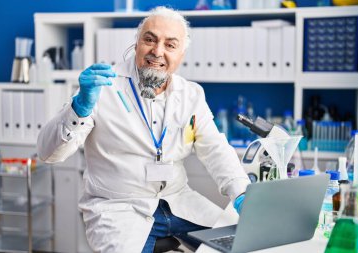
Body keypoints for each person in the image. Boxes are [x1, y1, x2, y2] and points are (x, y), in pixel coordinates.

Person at [37, 6, 250, 253]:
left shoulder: (191, 94)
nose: (157, 51)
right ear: (136, 44)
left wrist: (242, 193)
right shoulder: (103, 87)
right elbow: (48, 153)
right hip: (118, 208)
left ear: (181, 54)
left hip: (178, 202)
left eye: (170, 45)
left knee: (243, 243)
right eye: (150, 40)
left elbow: (216, 150)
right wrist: (79, 108)